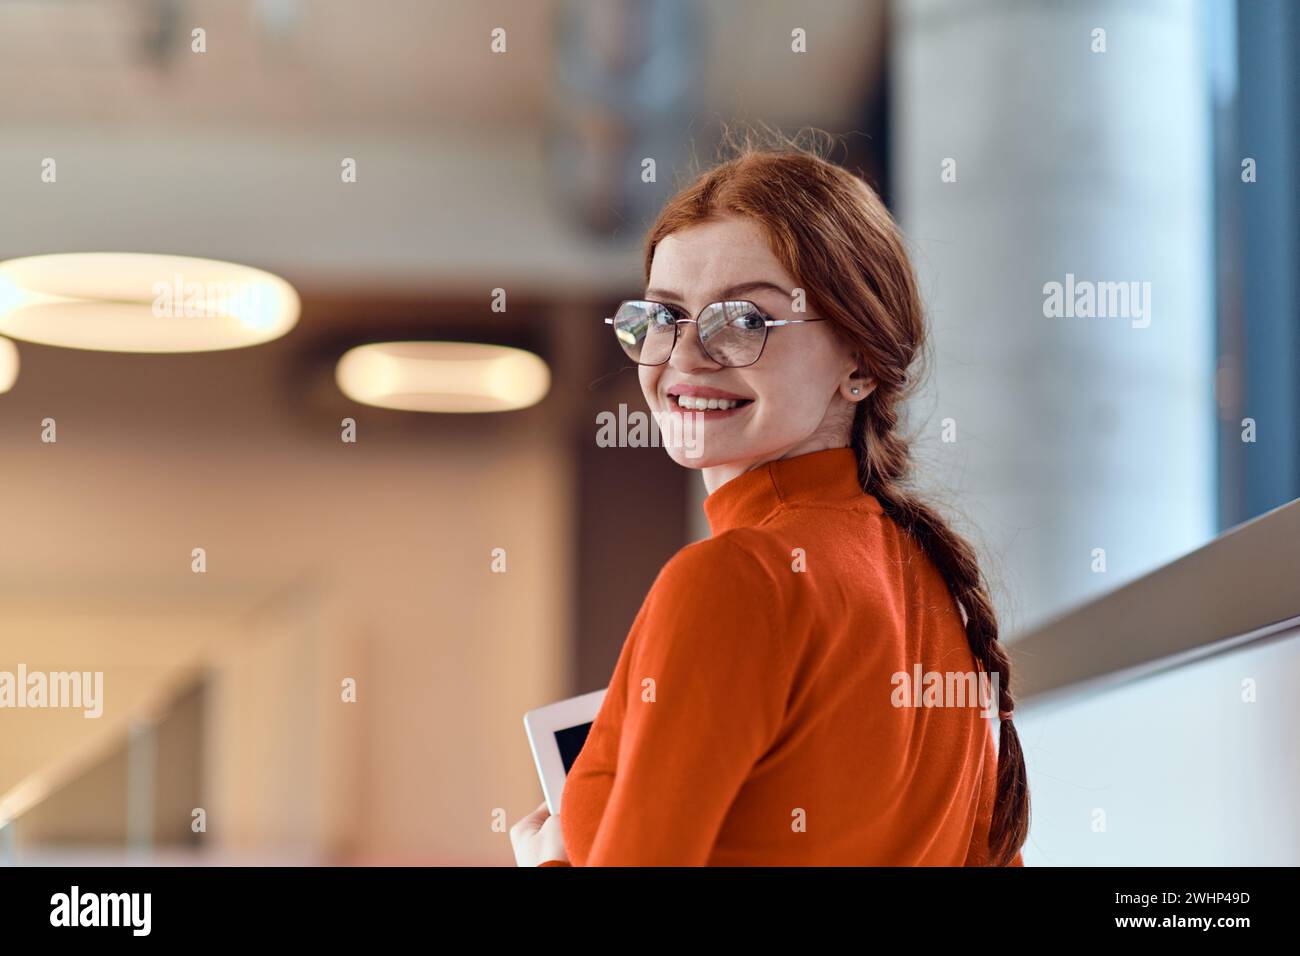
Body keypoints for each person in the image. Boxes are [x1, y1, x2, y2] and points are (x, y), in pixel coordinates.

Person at [512, 133, 1028, 866]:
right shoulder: (937, 590)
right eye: (661, 317)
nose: (684, 359)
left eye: (744, 321)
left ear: (858, 362)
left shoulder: (734, 578)